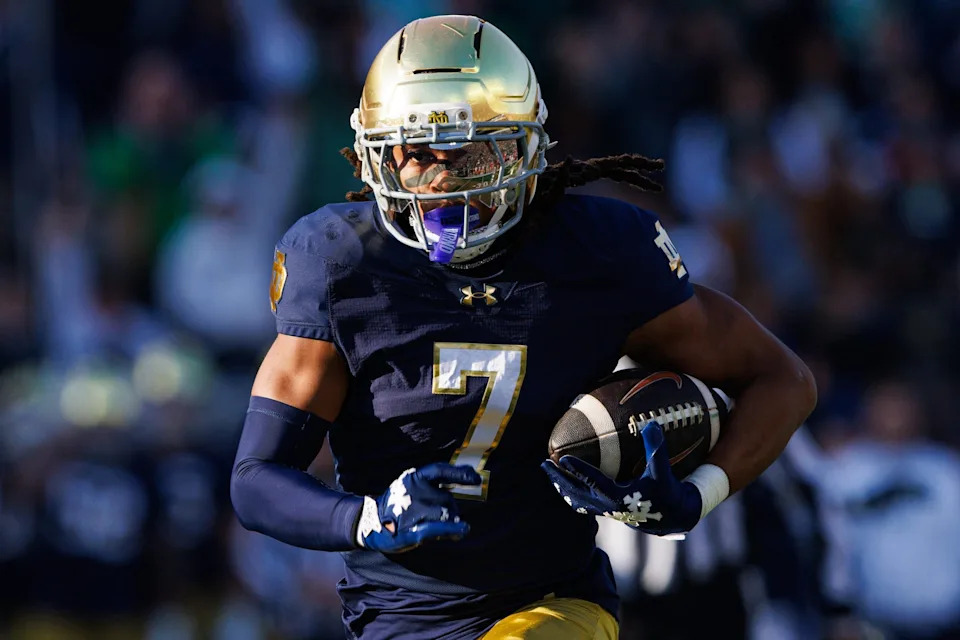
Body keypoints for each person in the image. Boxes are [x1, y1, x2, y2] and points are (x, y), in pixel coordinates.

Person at [230, 15, 816, 640]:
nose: (442, 182)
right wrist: (367, 518)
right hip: (398, 617)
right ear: (376, 156)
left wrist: (700, 493)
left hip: (555, 601)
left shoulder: (599, 251)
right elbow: (256, 479)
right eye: (416, 154)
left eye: (472, 155)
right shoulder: (344, 263)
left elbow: (782, 380)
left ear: (526, 148)